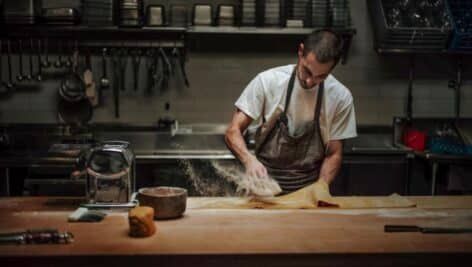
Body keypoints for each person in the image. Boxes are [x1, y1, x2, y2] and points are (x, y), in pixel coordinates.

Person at [225, 30, 357, 196]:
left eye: (321, 76)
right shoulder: (267, 82)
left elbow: (334, 153)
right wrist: (249, 160)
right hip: (263, 187)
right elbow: (233, 131)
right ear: (300, 52)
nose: (310, 81)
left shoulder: (340, 97)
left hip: (308, 190)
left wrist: (321, 187)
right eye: (307, 71)